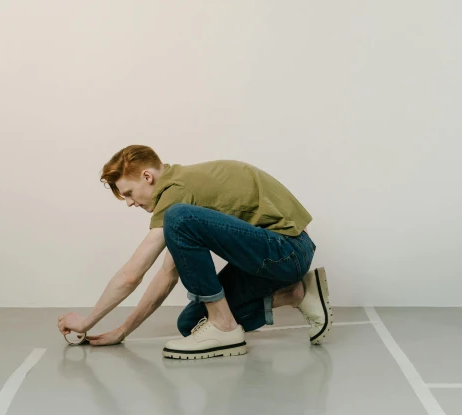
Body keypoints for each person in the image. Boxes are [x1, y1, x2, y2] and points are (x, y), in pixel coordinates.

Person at [58, 145, 332, 360]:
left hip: (287, 251)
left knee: (178, 217)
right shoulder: (181, 195)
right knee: (191, 324)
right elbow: (167, 276)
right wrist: (122, 331)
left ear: (147, 176)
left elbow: (133, 274)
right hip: (273, 259)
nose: (129, 203)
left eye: (128, 193)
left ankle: (224, 325)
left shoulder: (177, 194)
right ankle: (296, 293)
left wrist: (86, 322)